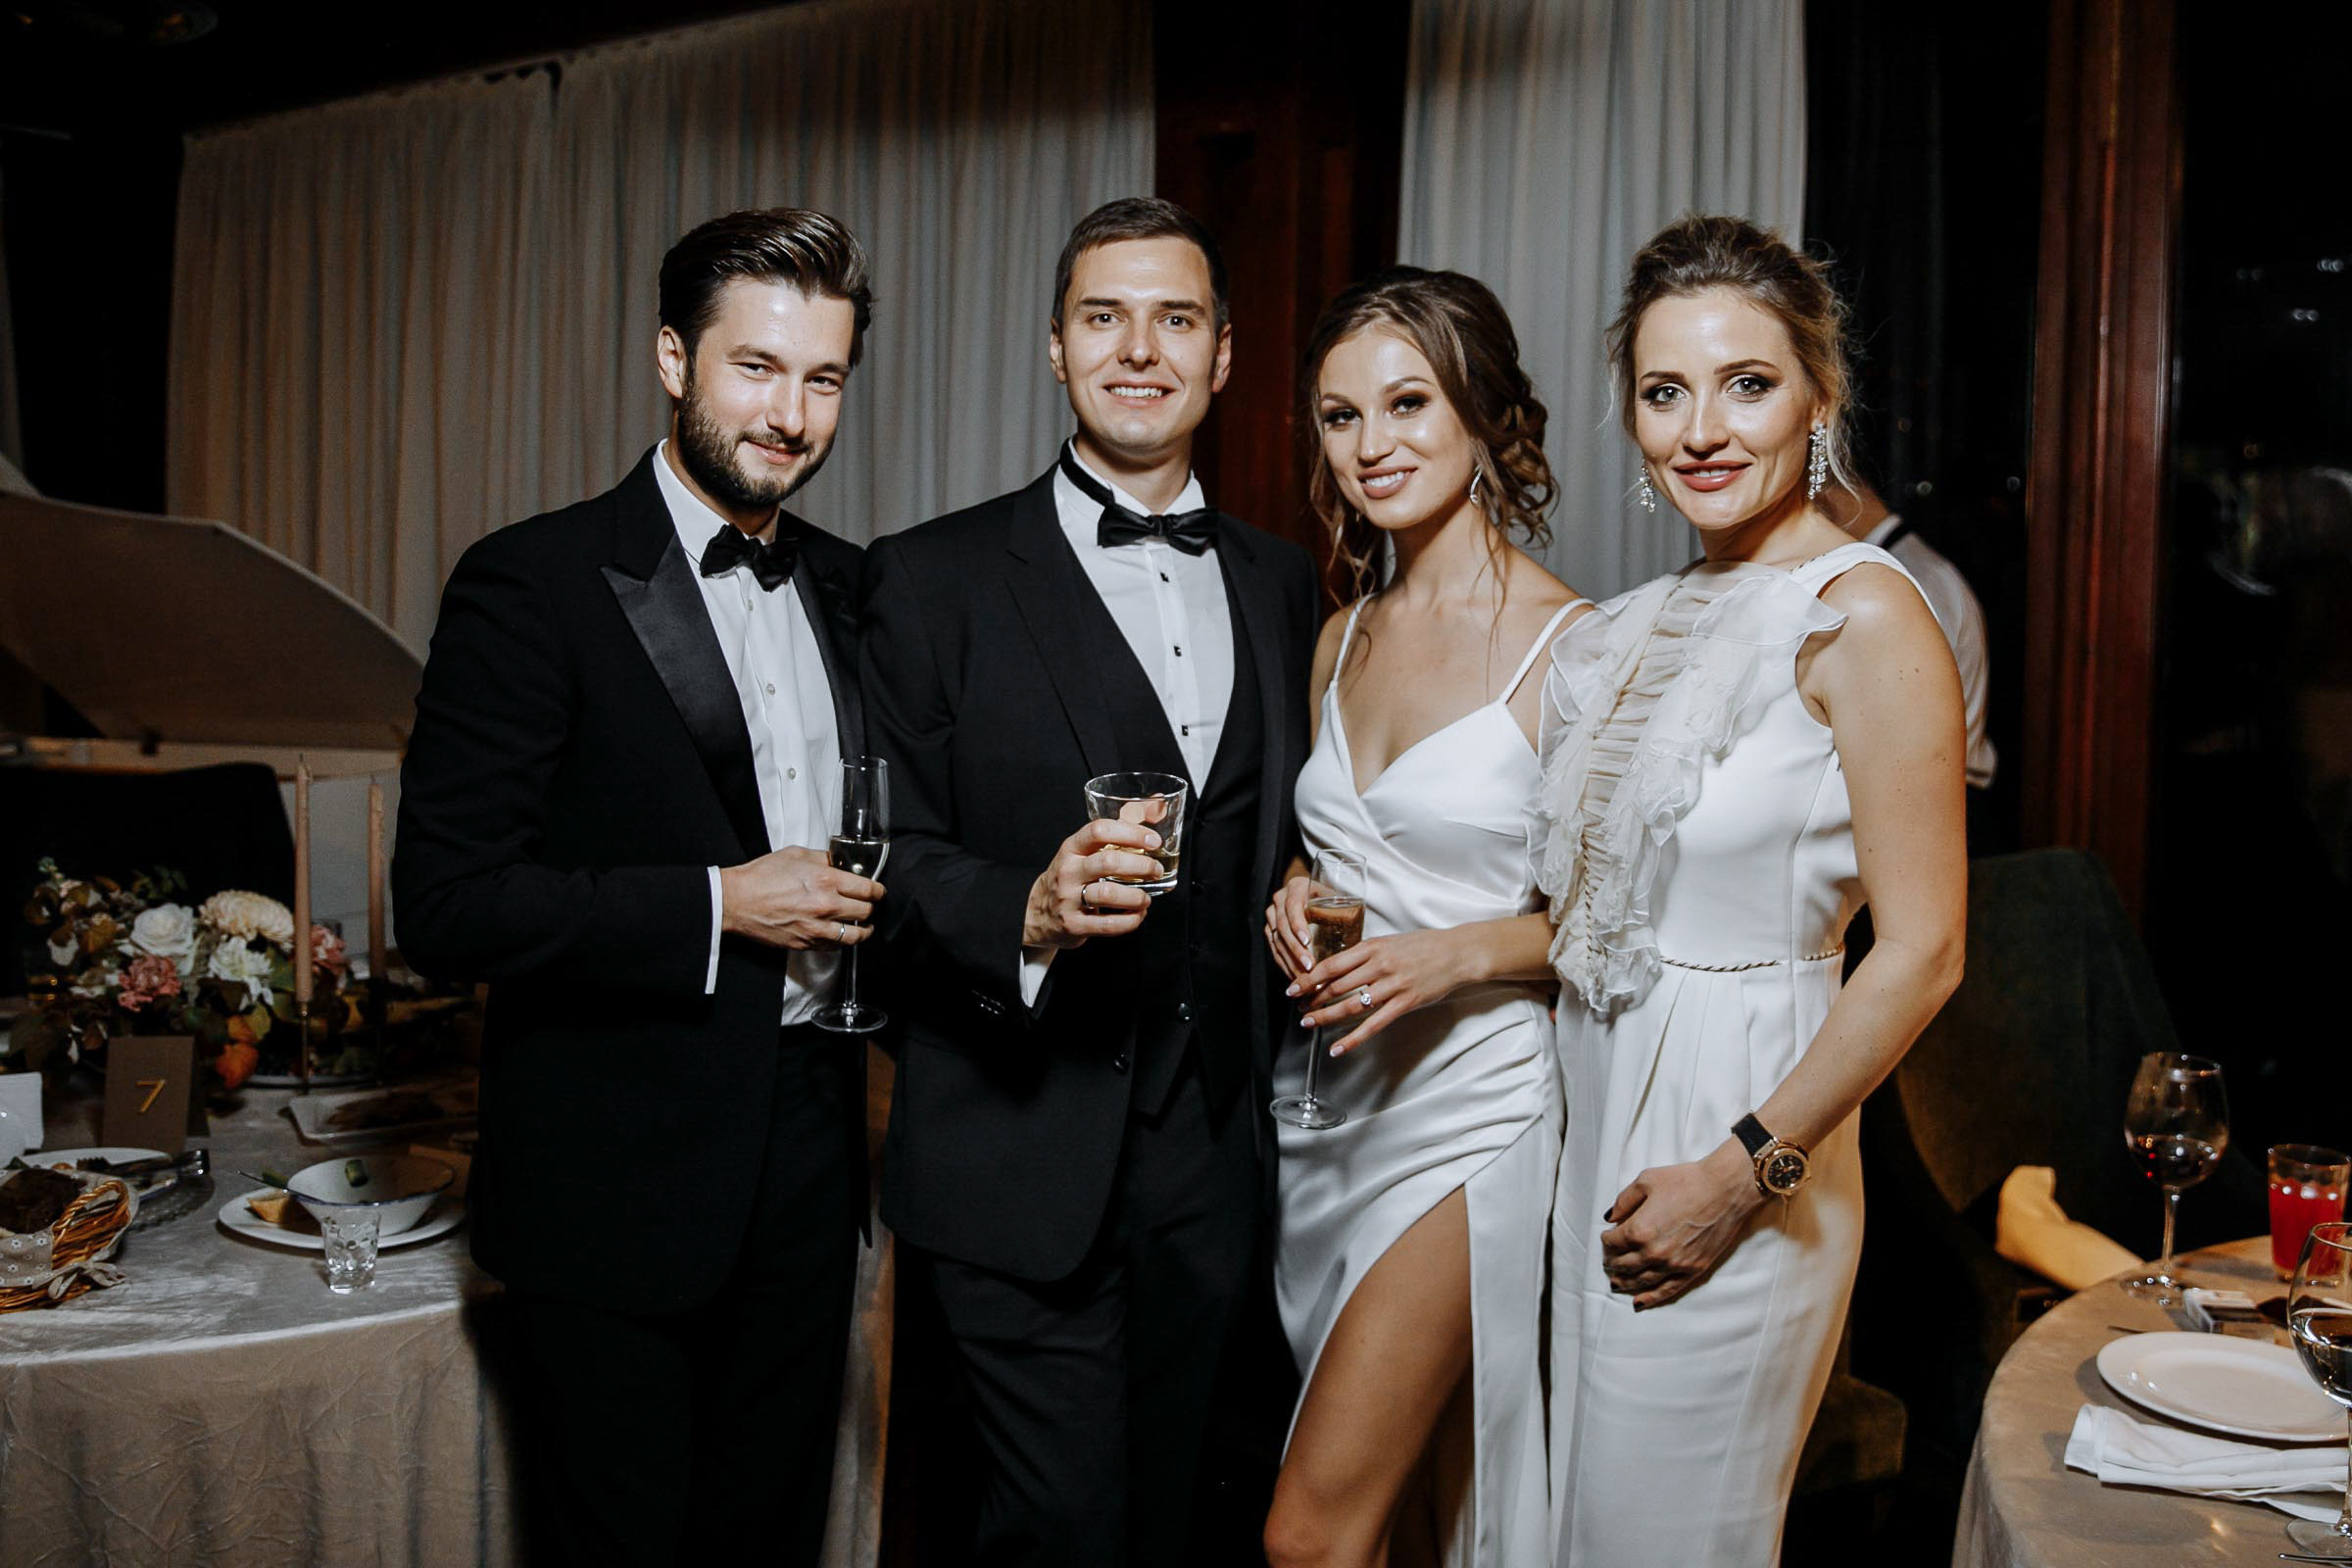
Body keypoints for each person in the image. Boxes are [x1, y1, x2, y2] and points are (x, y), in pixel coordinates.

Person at [394, 208, 881, 1568]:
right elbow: (444, 903)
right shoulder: (531, 582)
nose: (790, 415)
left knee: (769, 1539)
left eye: (824, 377)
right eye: (756, 367)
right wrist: (722, 906)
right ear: (673, 357)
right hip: (613, 1184)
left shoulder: (855, 588)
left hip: (811, 1155)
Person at [858, 196, 1319, 1566]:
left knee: (1177, 1513)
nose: (1139, 349)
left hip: (1212, 1158)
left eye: (1174, 319)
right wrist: (1027, 909)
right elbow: (884, 856)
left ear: (1223, 355)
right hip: (1011, 1141)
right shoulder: (929, 579)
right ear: (1056, 349)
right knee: (1056, 1529)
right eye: (1103, 317)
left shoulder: (1285, 582)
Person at [1535, 214, 1967, 1566]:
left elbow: (1926, 950)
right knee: (1581, 1531)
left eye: (1749, 383)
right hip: (1594, 1102)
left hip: (1745, 1123)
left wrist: (1746, 1170)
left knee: (1667, 1538)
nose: (1703, 428)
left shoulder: (1868, 612)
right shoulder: (1636, 622)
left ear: (1818, 398)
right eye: (1665, 392)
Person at [1257, 268, 1586, 1568]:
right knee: (1404, 1509)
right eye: (1341, 418)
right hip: (1324, 1106)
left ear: (1481, 414)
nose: (1371, 445)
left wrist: (1455, 955)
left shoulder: (1576, 646)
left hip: (1475, 1108)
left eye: (1407, 404)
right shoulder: (1340, 636)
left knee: (1308, 1532)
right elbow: (1328, 850)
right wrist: (1291, 896)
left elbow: (1616, 927)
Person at [1830, 475, 1997, 788]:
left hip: (1938, 797)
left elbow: (1904, 734)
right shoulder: (1904, 568)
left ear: (1831, 498)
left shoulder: (1910, 579)